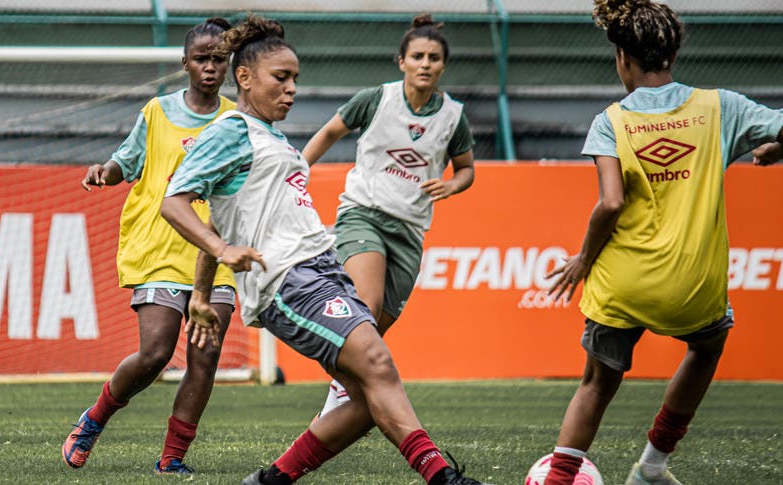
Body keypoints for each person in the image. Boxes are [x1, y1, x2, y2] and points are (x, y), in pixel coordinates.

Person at [160, 14, 487, 485]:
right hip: (288, 281)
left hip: (322, 271)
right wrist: (221, 249)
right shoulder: (230, 131)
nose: (292, 88)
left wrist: (200, 294)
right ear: (245, 78)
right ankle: (442, 478)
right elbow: (174, 203)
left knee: (369, 395)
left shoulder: (273, 138)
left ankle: (272, 480)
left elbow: (222, 213)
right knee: (377, 363)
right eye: (281, 78)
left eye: (295, 79)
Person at [542, 1, 783, 484]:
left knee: (595, 385)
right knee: (707, 346)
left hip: (623, 284)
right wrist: (775, 147)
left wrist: (583, 260)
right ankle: (652, 466)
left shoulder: (610, 120)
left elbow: (610, 204)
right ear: (672, 54)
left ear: (622, 59)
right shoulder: (721, 108)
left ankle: (557, 480)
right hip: (692, 286)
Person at [62, 17, 239, 475]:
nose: (210, 67)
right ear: (184, 63)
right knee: (156, 353)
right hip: (160, 248)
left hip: (214, 252)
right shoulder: (158, 111)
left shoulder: (237, 119)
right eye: (202, 58)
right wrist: (106, 171)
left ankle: (173, 459)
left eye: (219, 59)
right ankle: (94, 418)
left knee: (206, 357)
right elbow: (127, 159)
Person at [300, 13, 476, 417]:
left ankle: (337, 395)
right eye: (417, 56)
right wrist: (296, 171)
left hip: (410, 231)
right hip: (364, 214)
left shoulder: (453, 117)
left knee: (375, 331)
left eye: (433, 57)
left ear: (443, 65)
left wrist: (451, 185)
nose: (425, 63)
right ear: (402, 61)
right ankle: (340, 393)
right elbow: (330, 131)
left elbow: (466, 170)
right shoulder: (376, 99)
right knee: (366, 304)